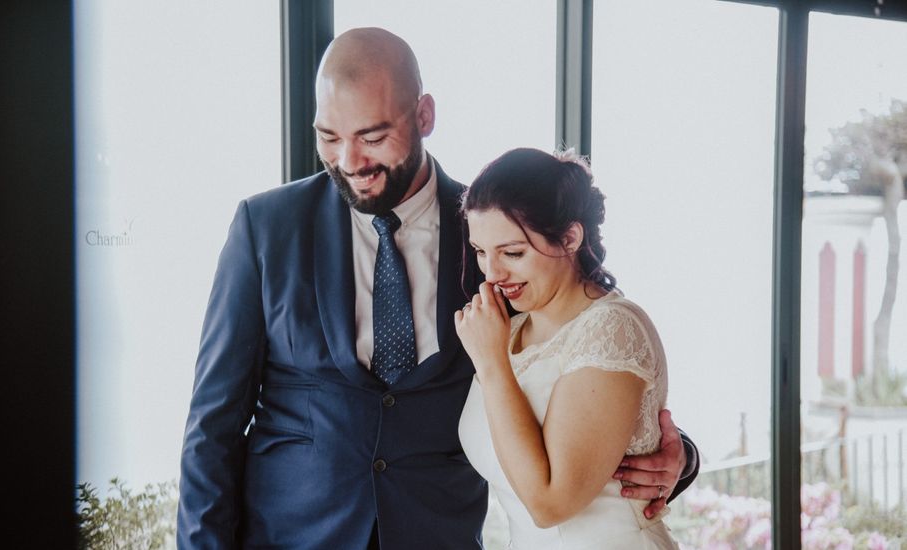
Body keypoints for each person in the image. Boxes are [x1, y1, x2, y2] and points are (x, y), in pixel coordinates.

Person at [178, 28, 696, 550]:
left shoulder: (492, 233)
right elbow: (213, 424)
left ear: (424, 116)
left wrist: (677, 455)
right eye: (330, 137)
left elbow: (585, 346)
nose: (350, 162)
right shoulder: (266, 228)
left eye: (373, 137)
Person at [456, 147, 680, 548]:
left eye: (512, 253)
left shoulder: (612, 327)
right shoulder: (503, 332)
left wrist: (491, 365)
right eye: (480, 252)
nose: (492, 273)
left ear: (570, 237)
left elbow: (549, 504)